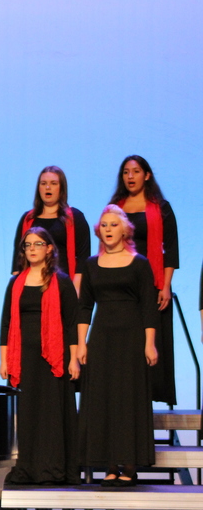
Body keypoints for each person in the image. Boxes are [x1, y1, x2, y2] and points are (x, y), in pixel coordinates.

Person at [77, 206, 158, 487]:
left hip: (132, 337)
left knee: (128, 398)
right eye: (104, 225)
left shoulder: (139, 263)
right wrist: (81, 343)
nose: (108, 229)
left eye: (114, 224)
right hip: (101, 337)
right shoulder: (91, 264)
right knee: (103, 397)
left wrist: (150, 344)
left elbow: (149, 306)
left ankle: (129, 464)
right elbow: (85, 306)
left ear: (125, 230)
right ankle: (109, 464)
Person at [0, 227, 80, 485]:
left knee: (51, 415)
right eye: (27, 245)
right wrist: (4, 360)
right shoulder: (16, 283)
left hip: (53, 358)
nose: (32, 248)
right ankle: (26, 469)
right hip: (22, 358)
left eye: (37, 243)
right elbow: (5, 324)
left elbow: (72, 323)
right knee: (26, 414)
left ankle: (52, 470)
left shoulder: (62, 281)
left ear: (49, 248)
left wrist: (74, 358)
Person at [109, 155, 178, 405]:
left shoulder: (161, 207)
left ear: (146, 175)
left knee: (149, 346)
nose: (130, 176)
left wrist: (166, 286)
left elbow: (170, 249)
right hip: (122, 286)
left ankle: (146, 400)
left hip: (152, 286)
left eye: (136, 171)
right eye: (126, 172)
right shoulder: (115, 208)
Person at [10, 166, 91, 293]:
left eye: (53, 183)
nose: (48, 187)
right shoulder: (27, 219)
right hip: (32, 287)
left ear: (61, 188)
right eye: (44, 184)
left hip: (64, 287)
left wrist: (75, 290)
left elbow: (83, 258)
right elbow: (18, 258)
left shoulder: (75, 218)